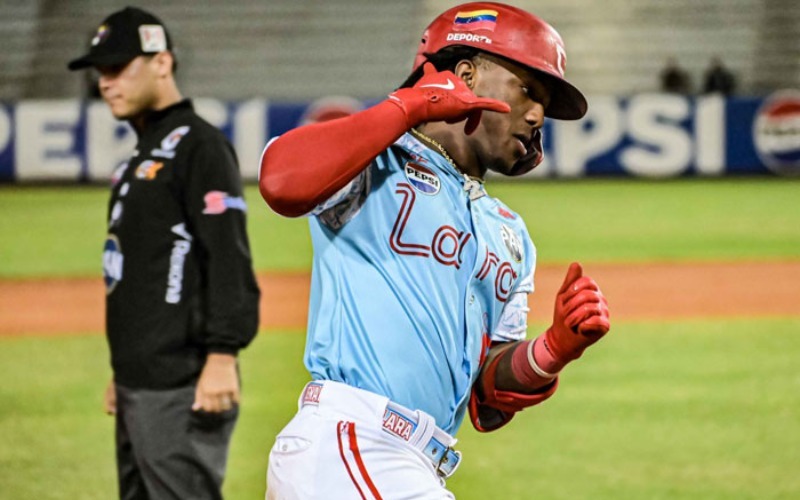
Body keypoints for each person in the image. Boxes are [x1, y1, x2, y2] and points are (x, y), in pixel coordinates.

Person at [259, 2, 610, 498]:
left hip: (408, 460)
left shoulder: (509, 233)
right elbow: (280, 181)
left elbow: (489, 396)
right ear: (465, 75)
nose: (537, 115)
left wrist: (555, 348)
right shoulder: (378, 161)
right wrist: (408, 107)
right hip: (354, 441)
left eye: (545, 103)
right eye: (528, 90)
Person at [67, 7, 260, 500]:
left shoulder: (199, 146)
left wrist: (222, 355)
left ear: (162, 62)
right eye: (100, 72)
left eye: (117, 67)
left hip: (180, 383)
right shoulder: (142, 155)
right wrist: (124, 372)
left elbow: (228, 257)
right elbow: (139, 275)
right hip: (142, 382)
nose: (106, 82)